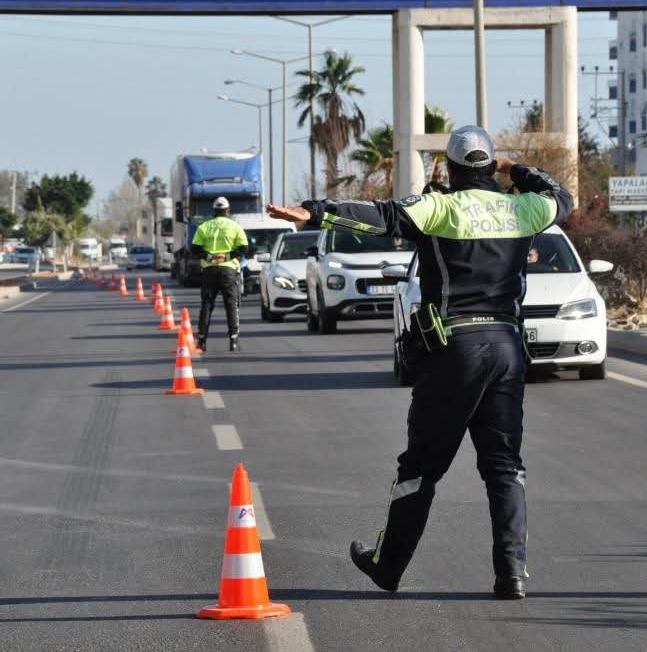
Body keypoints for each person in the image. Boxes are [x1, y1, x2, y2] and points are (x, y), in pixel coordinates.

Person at [267, 125, 573, 599]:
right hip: (507, 347)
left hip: (454, 349)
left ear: (449, 168)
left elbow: (380, 217)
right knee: (504, 466)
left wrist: (317, 211)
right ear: (491, 166)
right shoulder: (523, 208)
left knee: (421, 468)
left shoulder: (439, 207)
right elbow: (561, 197)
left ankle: (388, 566)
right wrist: (517, 169)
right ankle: (512, 573)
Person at [191, 196, 248, 352]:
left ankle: (202, 340)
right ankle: (233, 340)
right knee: (231, 305)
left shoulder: (204, 227)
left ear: (214, 211)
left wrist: (209, 257)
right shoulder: (235, 226)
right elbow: (244, 248)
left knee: (207, 305)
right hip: (228, 270)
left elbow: (194, 249)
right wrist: (228, 256)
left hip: (209, 270)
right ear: (228, 211)